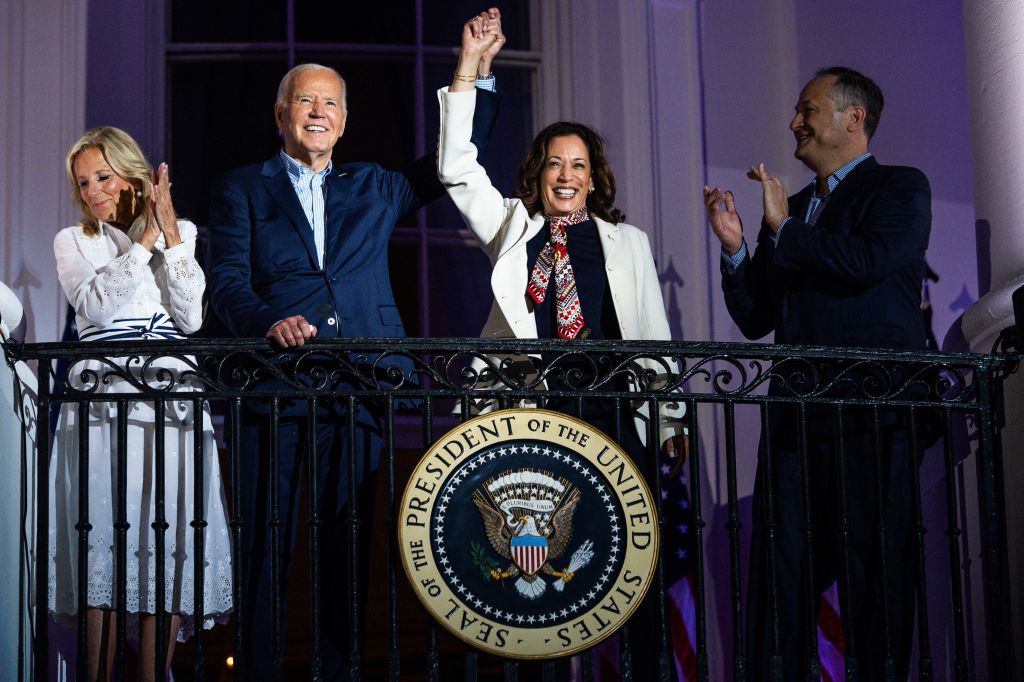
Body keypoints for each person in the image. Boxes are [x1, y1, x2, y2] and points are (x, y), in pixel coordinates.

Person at [206, 10, 503, 678]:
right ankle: (257, 668)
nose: (318, 111)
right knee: (266, 544)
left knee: (349, 544)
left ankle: (339, 672)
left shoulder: (374, 185)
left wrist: (473, 72)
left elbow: (455, 162)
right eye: (305, 100)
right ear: (280, 114)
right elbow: (224, 283)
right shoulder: (242, 188)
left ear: (343, 119)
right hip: (274, 386)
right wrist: (266, 323)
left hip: (364, 382)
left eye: (330, 103)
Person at [438, 24, 687, 676]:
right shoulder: (513, 230)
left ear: (593, 177)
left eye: (578, 165)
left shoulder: (624, 243)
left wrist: (671, 424)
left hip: (611, 418)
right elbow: (456, 170)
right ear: (538, 174)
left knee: (632, 576)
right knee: (537, 587)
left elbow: (652, 338)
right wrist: (468, 69)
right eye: (555, 163)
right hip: (533, 424)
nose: (566, 175)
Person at [703, 67, 931, 680]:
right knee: (782, 576)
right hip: (797, 419)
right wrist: (735, 249)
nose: (793, 122)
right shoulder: (796, 205)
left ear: (853, 118)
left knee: (875, 570)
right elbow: (756, 317)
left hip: (876, 413)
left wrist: (783, 230)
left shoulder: (899, 187)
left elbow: (871, 261)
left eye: (807, 108)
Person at [48, 127, 232, 681]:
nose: (93, 192)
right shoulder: (73, 240)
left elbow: (192, 317)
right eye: (84, 183)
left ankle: (154, 673)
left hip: (172, 401)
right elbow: (97, 309)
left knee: (169, 530)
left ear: (133, 174)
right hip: (104, 399)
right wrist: (146, 240)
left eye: (102, 177)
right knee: (103, 531)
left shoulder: (183, 232)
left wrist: (169, 231)